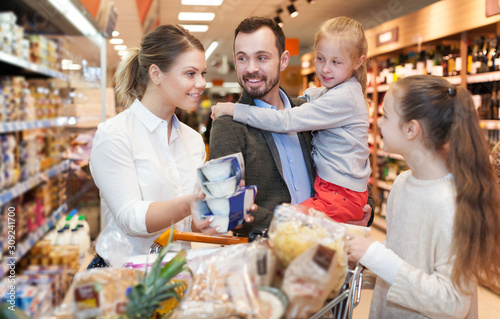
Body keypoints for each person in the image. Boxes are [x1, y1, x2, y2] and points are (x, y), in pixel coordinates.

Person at [346, 75, 500, 318]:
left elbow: (453, 302)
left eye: (385, 115)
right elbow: (405, 259)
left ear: (411, 129)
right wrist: (360, 264)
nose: (377, 123)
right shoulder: (402, 183)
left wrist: (374, 254)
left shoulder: (452, 203)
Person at [208, 17, 374, 238]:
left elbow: (347, 159)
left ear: (284, 60)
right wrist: (297, 230)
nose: (251, 68)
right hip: (267, 260)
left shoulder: (306, 111)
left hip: (326, 254)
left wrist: (366, 209)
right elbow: (226, 210)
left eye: (262, 57)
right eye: (242, 58)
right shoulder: (228, 124)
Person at [88, 25, 213, 268]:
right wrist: (190, 203)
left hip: (177, 274)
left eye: (203, 73)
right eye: (190, 73)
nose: (201, 83)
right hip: (126, 280)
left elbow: (194, 223)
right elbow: (130, 218)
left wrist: (221, 207)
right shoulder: (115, 135)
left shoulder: (193, 140)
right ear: (156, 74)